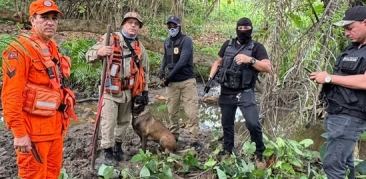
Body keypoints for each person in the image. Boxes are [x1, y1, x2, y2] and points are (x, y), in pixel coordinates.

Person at [1, 0, 77, 179]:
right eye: (44, 17)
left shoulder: (52, 48)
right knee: (30, 177)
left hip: (55, 127)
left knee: (52, 170)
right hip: (33, 132)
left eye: (54, 18)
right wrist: (19, 133)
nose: (50, 23)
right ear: (32, 20)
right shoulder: (18, 50)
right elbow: (11, 96)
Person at [308, 6, 366, 179]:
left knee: (333, 162)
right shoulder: (351, 50)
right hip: (337, 113)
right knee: (345, 162)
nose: (346, 33)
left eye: (350, 28)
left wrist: (330, 77)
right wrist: (324, 79)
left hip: (352, 116)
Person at [86, 12, 149, 166]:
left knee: (123, 122)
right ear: (123, 24)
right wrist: (99, 53)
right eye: (130, 22)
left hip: (128, 91)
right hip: (109, 91)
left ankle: (117, 147)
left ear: (139, 28)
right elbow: (88, 55)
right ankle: (107, 151)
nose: (133, 25)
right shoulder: (110, 39)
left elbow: (145, 71)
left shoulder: (139, 47)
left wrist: (144, 92)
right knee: (109, 121)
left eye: (136, 23)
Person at [208, 17, 271, 168]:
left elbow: (267, 67)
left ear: (251, 29)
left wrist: (250, 60)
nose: (243, 31)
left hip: (245, 91)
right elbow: (218, 62)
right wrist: (211, 77)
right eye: (240, 28)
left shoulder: (257, 47)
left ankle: (259, 153)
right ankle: (228, 151)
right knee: (227, 124)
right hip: (226, 91)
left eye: (246, 28)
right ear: (236, 29)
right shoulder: (228, 44)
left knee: (253, 123)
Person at [159, 16, 202, 153]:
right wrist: (161, 69)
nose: (172, 28)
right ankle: (174, 136)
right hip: (172, 84)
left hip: (187, 81)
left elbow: (183, 60)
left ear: (179, 26)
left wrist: (168, 77)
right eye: (169, 26)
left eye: (174, 26)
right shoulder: (166, 41)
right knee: (172, 111)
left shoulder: (186, 40)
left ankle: (195, 140)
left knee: (192, 112)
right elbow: (166, 57)